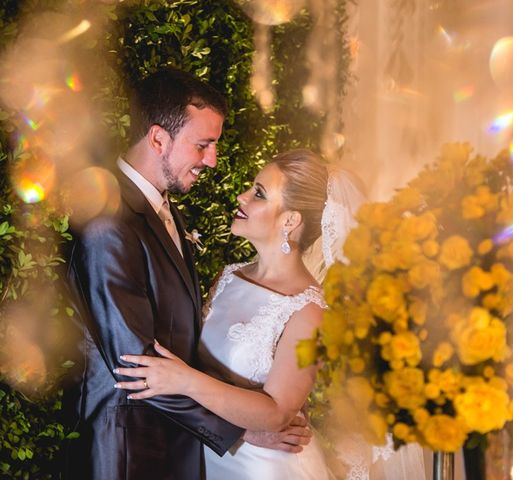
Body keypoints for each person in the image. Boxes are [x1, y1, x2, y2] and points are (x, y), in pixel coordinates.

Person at [63, 68, 310, 480]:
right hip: (126, 451)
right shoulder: (109, 219)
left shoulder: (163, 209)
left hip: (174, 447)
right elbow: (136, 365)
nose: (211, 161)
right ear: (159, 138)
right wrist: (243, 429)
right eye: (203, 145)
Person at [114, 149, 367, 479]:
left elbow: (277, 413)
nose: (242, 196)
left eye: (259, 193)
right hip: (207, 455)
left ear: (290, 220)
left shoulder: (311, 313)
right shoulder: (229, 276)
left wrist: (184, 380)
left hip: (262, 469)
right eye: (251, 187)